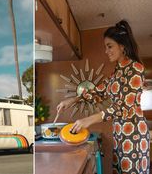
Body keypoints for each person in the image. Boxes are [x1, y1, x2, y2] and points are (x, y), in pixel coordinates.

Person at [57, 20, 150, 173]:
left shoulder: (135, 68)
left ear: (122, 46)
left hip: (133, 133)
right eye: (105, 47)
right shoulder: (117, 73)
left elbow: (123, 108)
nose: (106, 51)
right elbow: (97, 92)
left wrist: (88, 120)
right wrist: (72, 100)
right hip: (120, 132)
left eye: (109, 46)